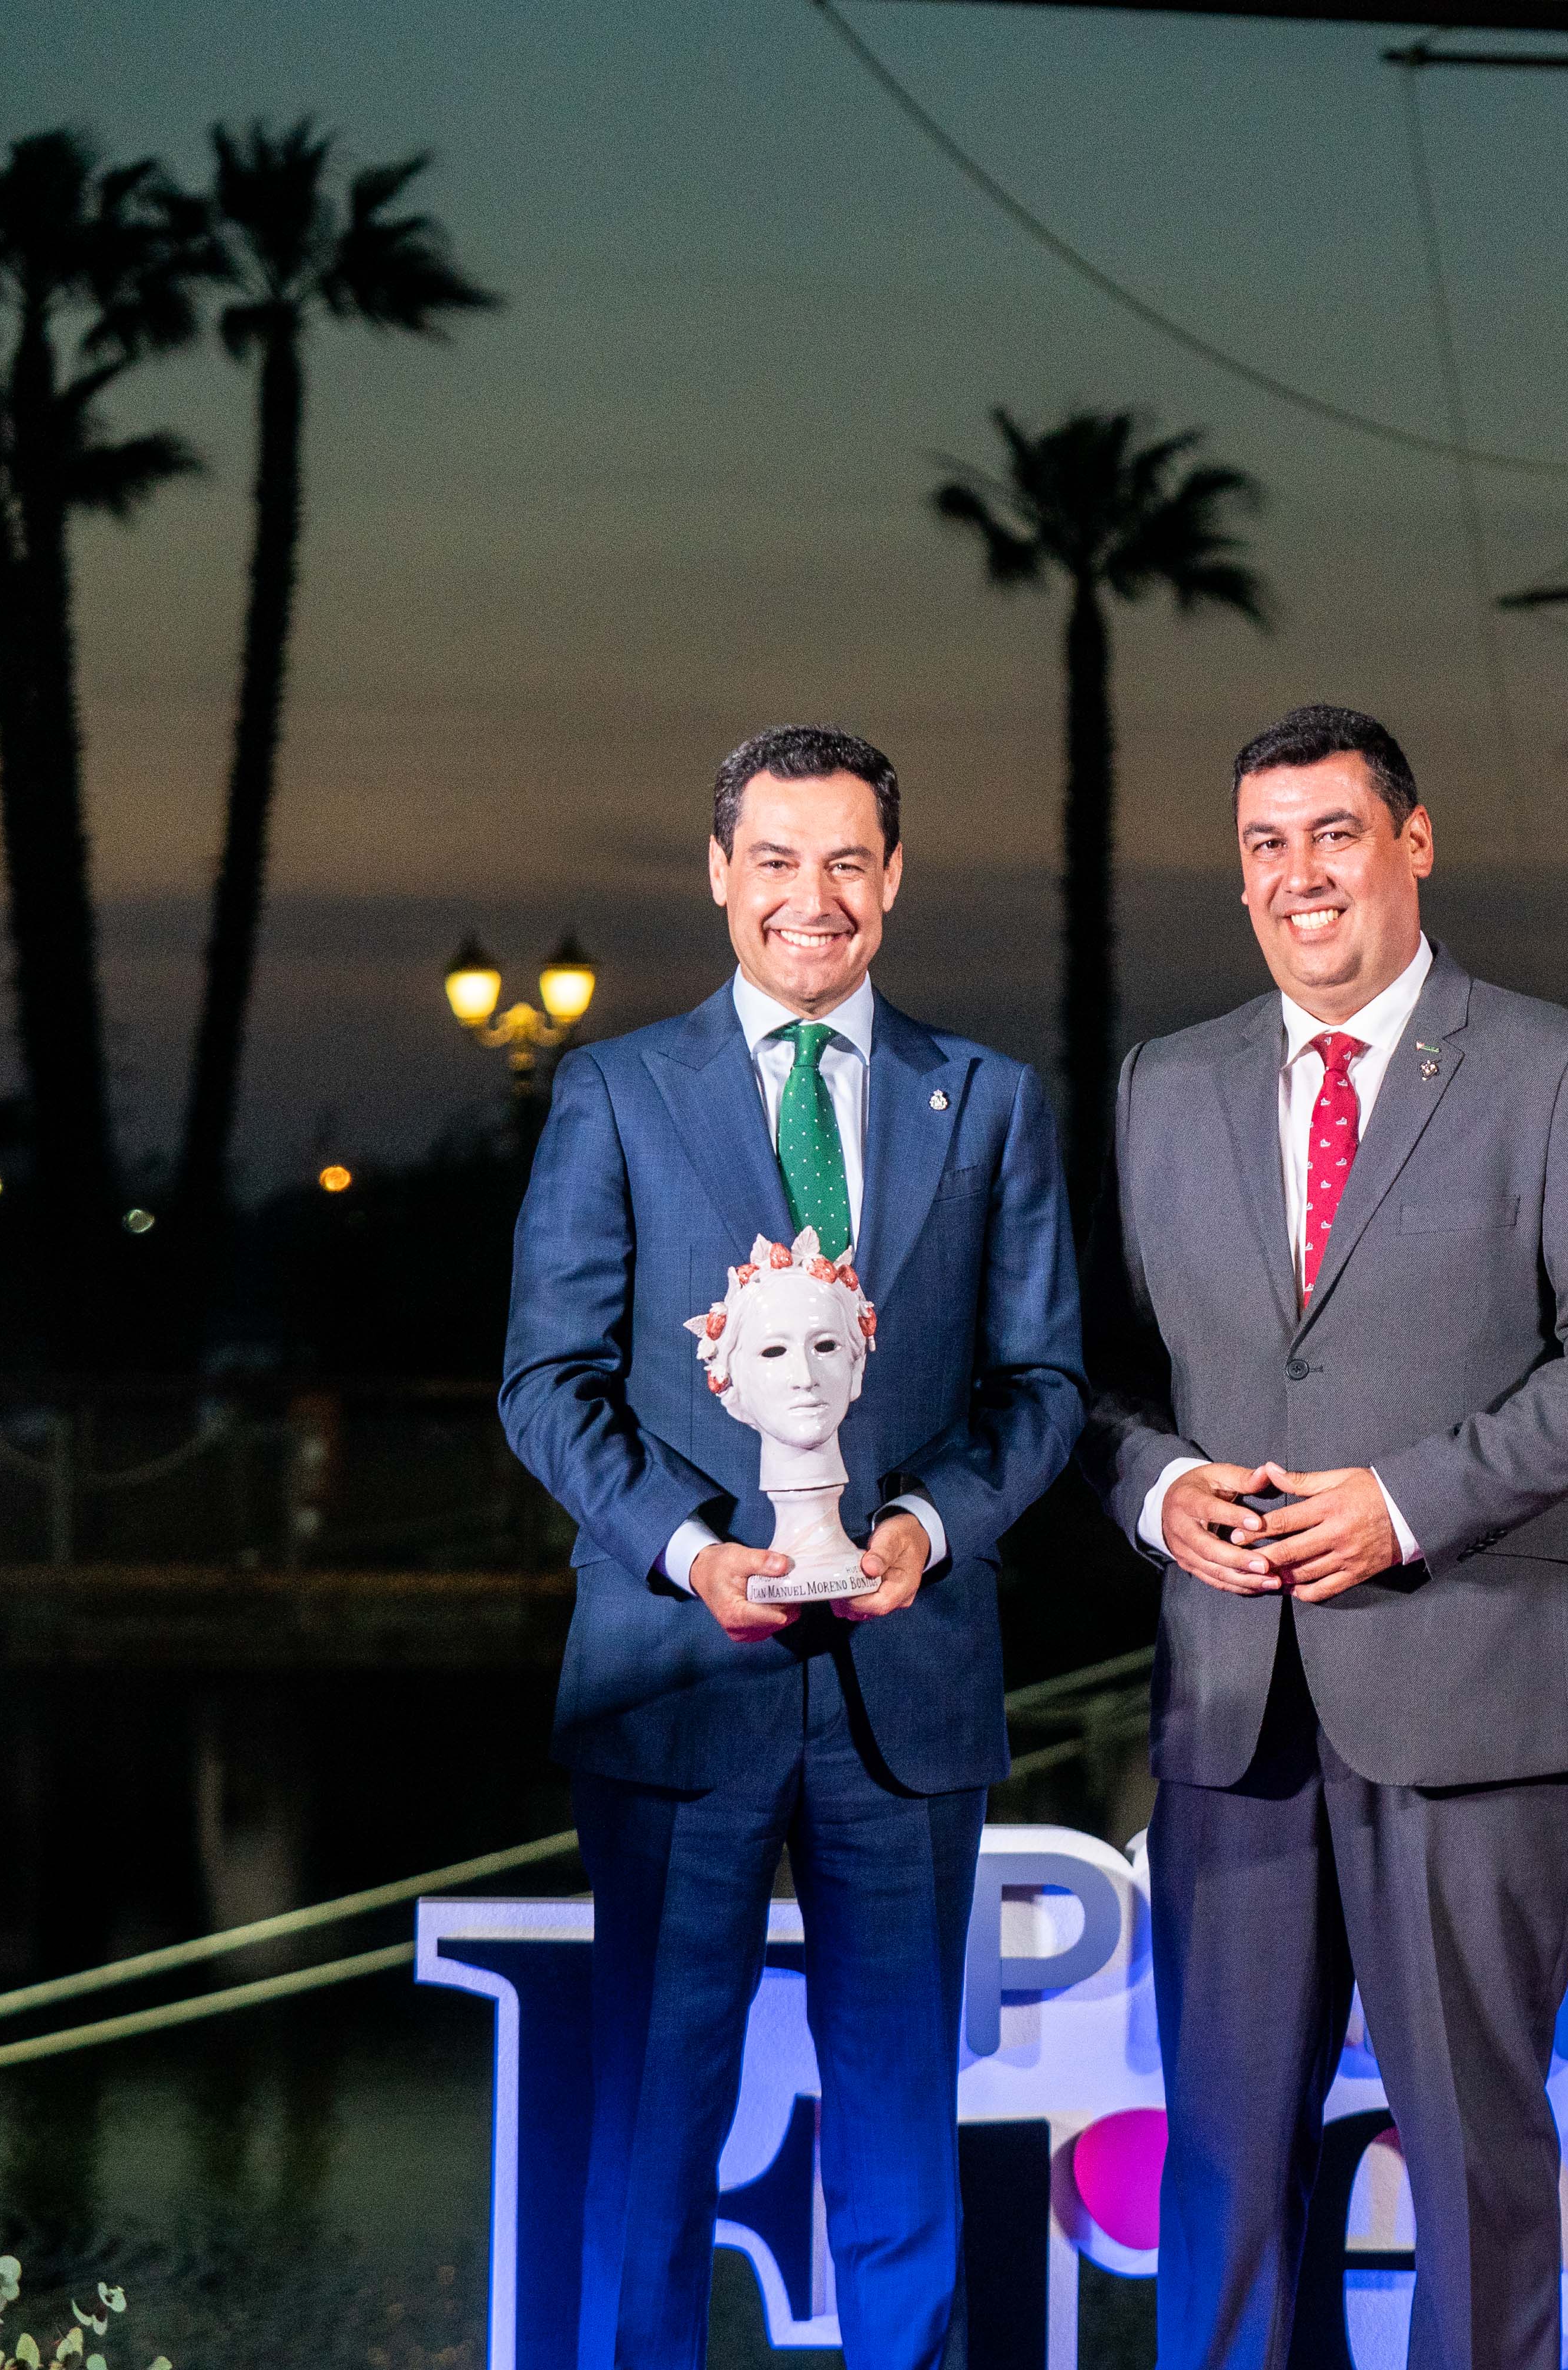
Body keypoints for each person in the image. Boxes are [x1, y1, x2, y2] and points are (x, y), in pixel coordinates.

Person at [1079, 703, 1568, 2370]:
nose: (1301, 877)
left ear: (1412, 845)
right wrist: (1152, 1487)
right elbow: (1097, 1379)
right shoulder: (1168, 1088)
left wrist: (1408, 1500)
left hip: (1473, 1688)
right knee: (1222, 2168)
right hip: (1234, 1712)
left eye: (1334, 835)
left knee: (1474, 2165)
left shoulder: (1554, 1071)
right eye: (1266, 846)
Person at [501, 723, 1083, 2370]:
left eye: (846, 861)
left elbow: (1040, 1386)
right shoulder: (617, 1092)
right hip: (680, 1675)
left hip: (911, 1686)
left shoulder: (992, 1104)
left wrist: (929, 1527)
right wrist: (690, 1552)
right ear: (719, 875)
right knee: (651, 2141)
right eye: (775, 859)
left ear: (892, 880)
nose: (809, 898)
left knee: (902, 2141)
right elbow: (542, 1385)